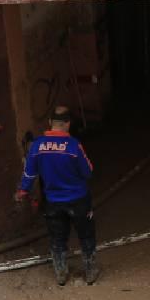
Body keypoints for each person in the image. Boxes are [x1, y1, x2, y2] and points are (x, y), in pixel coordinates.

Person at [15, 107, 99, 285]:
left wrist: (23, 191)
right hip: (78, 200)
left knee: (57, 238)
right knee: (86, 236)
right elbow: (88, 172)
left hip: (53, 202)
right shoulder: (74, 145)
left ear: (49, 123)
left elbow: (29, 174)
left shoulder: (37, 146)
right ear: (68, 123)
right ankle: (90, 271)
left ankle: (61, 273)